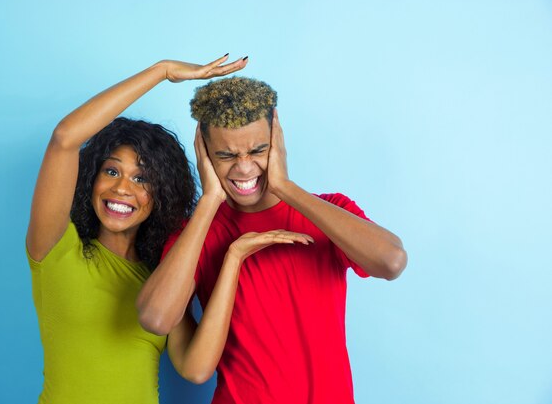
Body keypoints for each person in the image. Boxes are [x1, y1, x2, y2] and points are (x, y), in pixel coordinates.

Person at [25, 56, 309, 404]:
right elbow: (65, 138)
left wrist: (232, 254)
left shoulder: (160, 277)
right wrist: (161, 72)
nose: (122, 189)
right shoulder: (56, 247)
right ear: (91, 179)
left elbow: (195, 368)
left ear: (161, 193)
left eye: (141, 178)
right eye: (112, 172)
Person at [136, 76, 408, 404]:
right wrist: (209, 200)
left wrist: (286, 187)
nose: (244, 167)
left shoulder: (330, 212)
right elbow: (156, 318)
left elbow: (391, 262)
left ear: (276, 143)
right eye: (226, 155)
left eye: (258, 150)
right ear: (204, 153)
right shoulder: (194, 234)